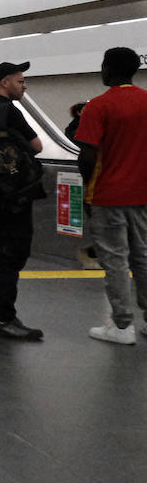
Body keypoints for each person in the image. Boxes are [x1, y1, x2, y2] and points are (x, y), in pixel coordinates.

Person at [76, 47, 147, 345]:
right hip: (142, 195)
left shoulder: (98, 106)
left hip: (107, 195)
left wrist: (87, 191)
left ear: (109, 68)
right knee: (143, 256)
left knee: (116, 260)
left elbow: (88, 155)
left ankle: (121, 326)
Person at [0, 60, 45, 340]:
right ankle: (6, 315)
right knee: (11, 252)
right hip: (12, 195)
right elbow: (37, 146)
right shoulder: (9, 111)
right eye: (20, 81)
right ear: (4, 82)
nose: (24, 86)